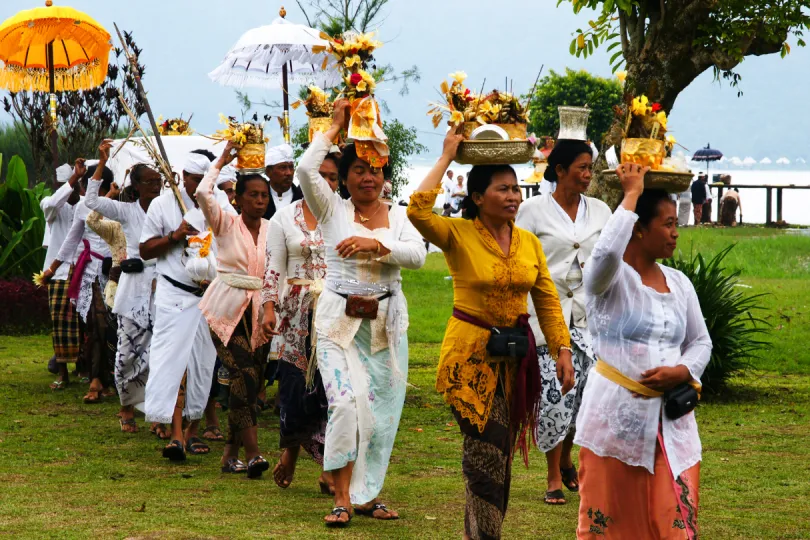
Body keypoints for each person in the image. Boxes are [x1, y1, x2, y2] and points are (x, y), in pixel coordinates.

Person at [408, 127, 574, 540]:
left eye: (516, 189)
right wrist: (447, 156)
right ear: (478, 196)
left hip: (515, 361)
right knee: (486, 451)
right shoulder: (458, 236)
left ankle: (476, 534)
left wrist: (562, 350)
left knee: (498, 458)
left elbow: (548, 302)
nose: (514, 196)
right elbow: (417, 211)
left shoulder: (530, 243)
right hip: (468, 360)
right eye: (503, 189)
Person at [291, 99, 426, 527]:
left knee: (381, 414)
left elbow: (418, 256)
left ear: (385, 176)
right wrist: (334, 127)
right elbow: (305, 171)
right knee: (346, 404)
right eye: (359, 170)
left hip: (385, 326)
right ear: (345, 177)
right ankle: (343, 496)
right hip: (337, 323)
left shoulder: (399, 217)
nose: (369, 177)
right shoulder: (332, 209)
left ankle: (369, 495)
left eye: (376, 170)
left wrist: (377, 245)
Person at [575, 163, 712, 539]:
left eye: (676, 223)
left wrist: (683, 372)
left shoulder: (679, 284)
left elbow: (701, 342)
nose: (675, 233)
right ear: (638, 228)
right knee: (612, 524)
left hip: (673, 422)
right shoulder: (611, 279)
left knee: (674, 523)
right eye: (667, 224)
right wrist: (631, 194)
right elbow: (603, 256)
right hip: (614, 423)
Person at [515, 139, 612, 506]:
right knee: (556, 394)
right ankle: (553, 474)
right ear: (559, 171)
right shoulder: (532, 210)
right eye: (582, 168)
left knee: (584, 398)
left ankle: (569, 457)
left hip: (590, 317)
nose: (588, 174)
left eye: (590, 168)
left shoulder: (601, 210)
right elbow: (520, 256)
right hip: (546, 317)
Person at [140, 152, 235, 461]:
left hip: (208, 296)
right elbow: (144, 250)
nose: (198, 187)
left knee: (203, 364)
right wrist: (176, 235)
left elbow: (235, 241)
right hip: (173, 294)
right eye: (194, 180)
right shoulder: (162, 204)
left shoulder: (218, 203)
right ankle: (176, 435)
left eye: (203, 181)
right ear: (182, 176)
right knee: (173, 363)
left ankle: (194, 431)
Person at [262, 150, 340, 494]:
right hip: (296, 316)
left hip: (338, 312)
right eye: (319, 174)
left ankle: (330, 466)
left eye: (333, 176)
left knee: (333, 388)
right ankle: (291, 451)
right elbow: (273, 269)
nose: (326, 182)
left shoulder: (346, 216)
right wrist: (267, 309)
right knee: (296, 386)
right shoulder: (283, 218)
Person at [196, 143, 272, 478]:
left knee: (249, 384)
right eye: (252, 195)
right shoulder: (225, 223)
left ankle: (229, 454)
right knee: (243, 374)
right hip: (227, 308)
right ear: (237, 199)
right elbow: (202, 192)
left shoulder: (273, 231)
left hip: (261, 313)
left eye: (263, 196)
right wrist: (221, 161)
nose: (259, 200)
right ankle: (254, 453)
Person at [85, 141, 164, 435]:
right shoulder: (127, 211)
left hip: (163, 288)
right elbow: (91, 203)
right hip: (133, 287)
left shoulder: (168, 210)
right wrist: (103, 162)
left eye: (159, 182)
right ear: (137, 185)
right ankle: (126, 407)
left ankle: (157, 414)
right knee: (128, 352)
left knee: (159, 353)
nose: (156, 187)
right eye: (150, 182)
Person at [47, 163, 115, 404]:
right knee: (96, 325)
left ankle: (109, 379)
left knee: (111, 327)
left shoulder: (119, 206)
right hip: (91, 273)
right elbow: (71, 239)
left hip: (117, 272)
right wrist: (53, 267)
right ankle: (97, 379)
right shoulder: (83, 207)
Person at [40, 161, 86, 389]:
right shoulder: (50, 206)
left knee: (85, 322)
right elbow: (53, 203)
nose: (72, 189)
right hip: (58, 273)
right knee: (60, 322)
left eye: (77, 185)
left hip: (84, 269)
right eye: (67, 185)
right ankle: (62, 373)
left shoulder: (86, 206)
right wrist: (72, 179)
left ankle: (83, 369)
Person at [264, 144, 302, 220]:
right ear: (268, 172)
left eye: (291, 167)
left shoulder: (302, 197)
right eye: (283, 168)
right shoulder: (258, 197)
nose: (289, 173)